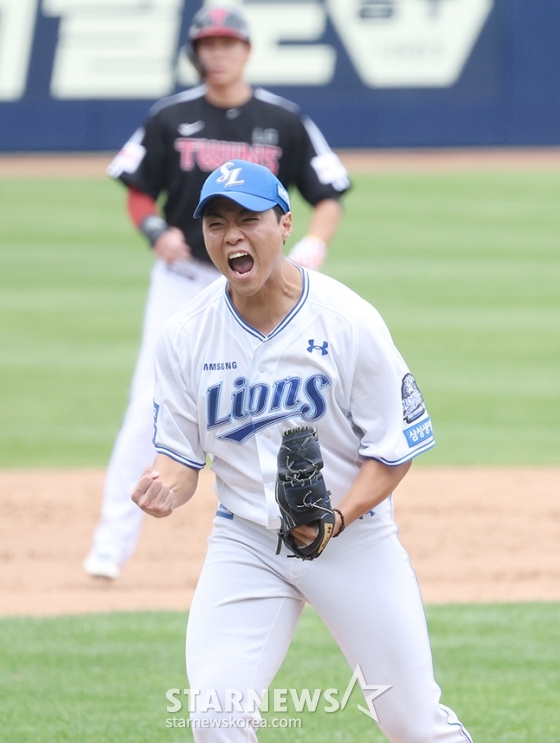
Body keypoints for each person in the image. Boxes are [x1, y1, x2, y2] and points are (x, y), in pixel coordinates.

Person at [131, 160, 473, 743]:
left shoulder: (348, 322)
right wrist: (166, 483)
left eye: (249, 220)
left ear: (286, 223)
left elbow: (394, 450)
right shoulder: (185, 334)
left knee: (413, 725)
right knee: (216, 720)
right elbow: (182, 458)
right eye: (216, 223)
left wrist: (335, 520)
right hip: (246, 543)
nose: (232, 236)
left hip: (352, 540)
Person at [83, 5, 350, 579]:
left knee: (296, 395)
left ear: (246, 50)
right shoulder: (171, 116)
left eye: (229, 43)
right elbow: (137, 188)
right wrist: (154, 231)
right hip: (185, 285)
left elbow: (328, 193)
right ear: (197, 52)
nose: (219, 53)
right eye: (209, 43)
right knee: (148, 406)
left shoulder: (282, 119)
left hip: (269, 284)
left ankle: (316, 526)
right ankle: (110, 543)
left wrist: (314, 246)